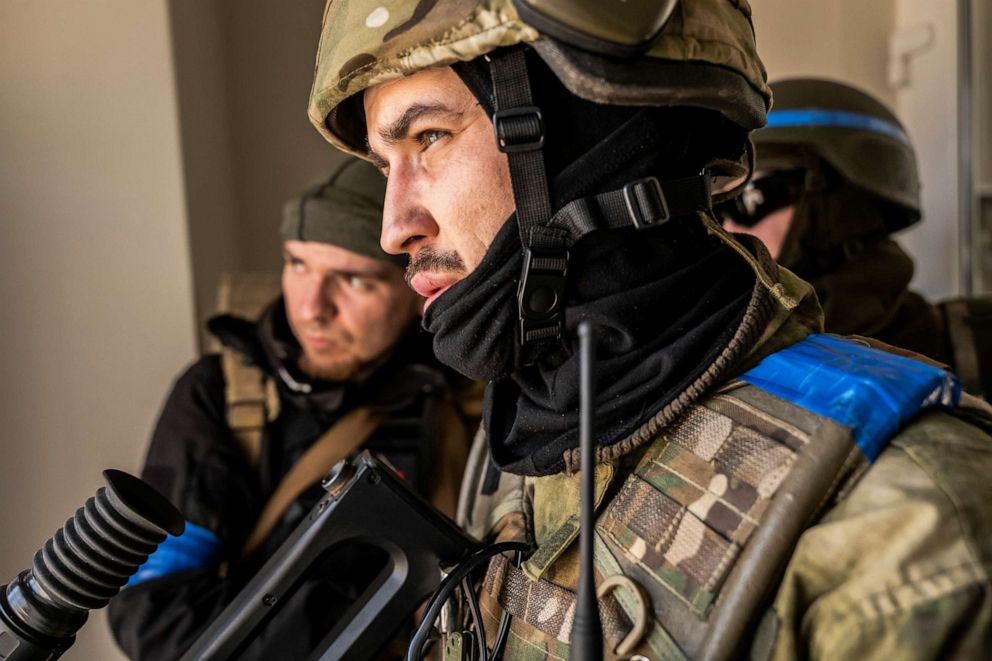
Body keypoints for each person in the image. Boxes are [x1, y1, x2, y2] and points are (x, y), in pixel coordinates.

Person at [306, 1, 992, 659]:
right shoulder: (528, 443)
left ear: (593, 138)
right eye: (383, 162)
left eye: (430, 137)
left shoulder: (909, 522)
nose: (394, 228)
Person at [107, 158, 473, 660]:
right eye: (297, 264)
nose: (310, 308)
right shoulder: (223, 395)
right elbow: (157, 619)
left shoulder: (469, 396)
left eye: (354, 280)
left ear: (418, 288)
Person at [721, 77, 991, 398]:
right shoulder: (727, 367)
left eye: (749, 198)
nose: (727, 229)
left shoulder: (979, 346)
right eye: (717, 209)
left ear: (837, 203)